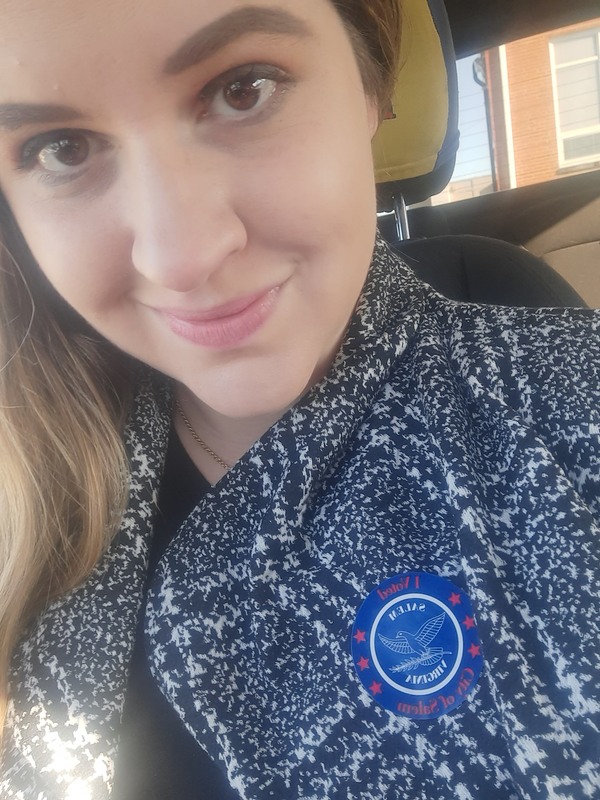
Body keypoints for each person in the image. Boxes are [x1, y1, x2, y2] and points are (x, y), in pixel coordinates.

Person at [0, 0, 598, 798]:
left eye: (243, 89)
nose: (179, 256)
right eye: (61, 148)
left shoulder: (571, 405)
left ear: (371, 87)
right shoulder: (30, 477)